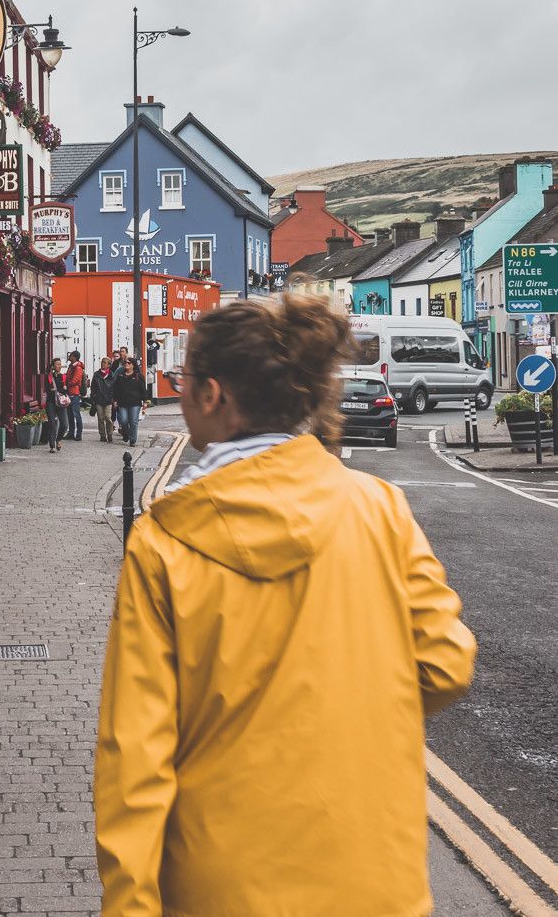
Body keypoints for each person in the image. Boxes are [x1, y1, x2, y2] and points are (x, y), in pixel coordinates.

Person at [95, 295, 476, 917]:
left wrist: (132, 904)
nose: (179, 389)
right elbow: (445, 666)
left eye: (184, 378)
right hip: (375, 878)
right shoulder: (381, 510)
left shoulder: (166, 542)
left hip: (224, 886)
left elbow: (134, 758)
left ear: (213, 395)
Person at [112, 358, 148, 447]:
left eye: (129, 363)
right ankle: (126, 434)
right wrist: (115, 400)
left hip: (135, 403)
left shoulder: (138, 376)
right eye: (125, 363)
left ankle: (133, 440)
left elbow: (143, 390)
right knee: (123, 421)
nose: (126, 364)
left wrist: (146, 401)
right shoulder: (120, 375)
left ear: (133, 365)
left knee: (133, 421)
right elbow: (115, 389)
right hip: (122, 402)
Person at [44, 357, 69, 453]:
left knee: (64, 424)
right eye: (57, 364)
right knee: (52, 424)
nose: (59, 366)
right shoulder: (49, 377)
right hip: (51, 402)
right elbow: (47, 389)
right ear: (53, 366)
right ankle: (52, 446)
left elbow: (66, 390)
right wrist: (59, 389)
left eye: (60, 364)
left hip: (61, 403)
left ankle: (58, 439)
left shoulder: (64, 377)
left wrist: (60, 389)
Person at [89, 357, 117, 443]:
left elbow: (114, 388)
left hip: (108, 400)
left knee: (108, 417)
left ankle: (110, 434)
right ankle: (102, 435)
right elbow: (93, 386)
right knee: (100, 418)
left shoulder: (112, 375)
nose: (103, 364)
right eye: (102, 362)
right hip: (99, 399)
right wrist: (93, 396)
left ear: (109, 365)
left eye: (105, 362)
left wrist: (113, 399)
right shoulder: (96, 374)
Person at [65, 350, 86, 442]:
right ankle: (71, 433)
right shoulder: (72, 366)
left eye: (71, 355)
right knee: (70, 414)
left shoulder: (77, 368)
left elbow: (75, 380)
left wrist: (66, 384)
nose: (69, 356)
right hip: (70, 393)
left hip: (75, 393)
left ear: (74, 357)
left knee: (76, 414)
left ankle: (78, 434)